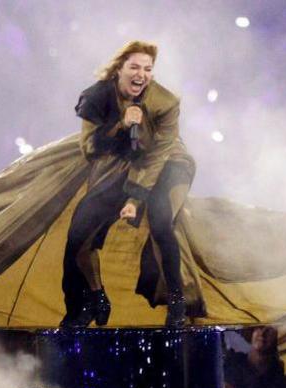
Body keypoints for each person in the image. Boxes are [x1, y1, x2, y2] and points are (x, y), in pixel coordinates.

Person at [61, 40, 195, 328]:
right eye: (134, 67)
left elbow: (157, 156)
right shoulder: (97, 96)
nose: (141, 74)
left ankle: (177, 301)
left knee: (160, 218)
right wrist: (122, 124)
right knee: (78, 234)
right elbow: (90, 149)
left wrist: (135, 199)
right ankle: (93, 298)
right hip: (126, 166)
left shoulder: (165, 102)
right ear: (118, 69)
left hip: (169, 162)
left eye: (147, 69)